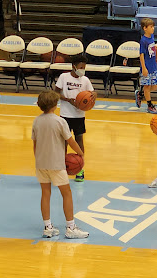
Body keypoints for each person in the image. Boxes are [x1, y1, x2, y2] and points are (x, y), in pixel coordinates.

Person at [32, 90, 89, 239]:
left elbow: (35, 145)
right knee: (67, 193)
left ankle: (48, 227)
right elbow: (71, 141)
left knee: (45, 193)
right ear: (55, 104)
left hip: (41, 163)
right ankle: (71, 228)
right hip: (56, 164)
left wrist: (39, 160)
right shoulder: (60, 121)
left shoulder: (36, 121)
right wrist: (81, 154)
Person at [54, 54, 97, 182]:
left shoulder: (85, 80)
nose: (83, 70)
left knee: (79, 141)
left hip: (79, 115)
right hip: (65, 115)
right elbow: (56, 92)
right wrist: (68, 100)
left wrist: (94, 94)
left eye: (84, 67)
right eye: (81, 67)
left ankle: (80, 168)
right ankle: (61, 169)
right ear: (74, 67)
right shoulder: (64, 77)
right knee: (64, 142)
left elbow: (93, 93)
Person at [135, 18, 157, 114]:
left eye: (153, 26)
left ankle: (140, 94)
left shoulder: (152, 36)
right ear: (145, 28)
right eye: (151, 27)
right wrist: (144, 68)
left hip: (153, 65)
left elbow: (152, 49)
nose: (153, 28)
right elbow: (141, 55)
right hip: (146, 67)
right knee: (147, 86)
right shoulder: (143, 40)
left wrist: (156, 55)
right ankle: (149, 105)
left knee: (155, 85)